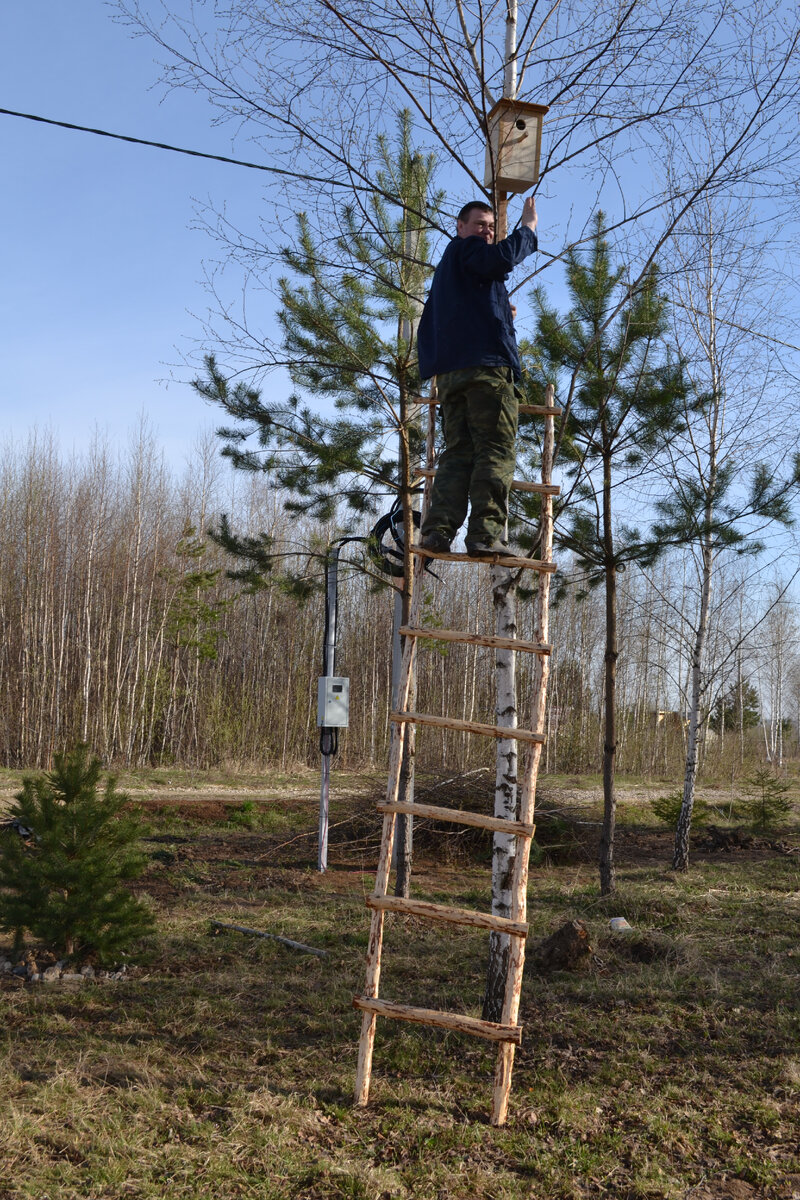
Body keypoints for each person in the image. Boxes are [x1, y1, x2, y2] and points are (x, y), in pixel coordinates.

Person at [416, 194, 538, 556]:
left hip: (453, 374)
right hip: (486, 372)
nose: (486, 232)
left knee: (459, 452)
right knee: (495, 449)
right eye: (479, 224)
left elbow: (463, 309)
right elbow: (500, 258)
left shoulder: (451, 268)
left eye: (491, 226)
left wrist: (500, 313)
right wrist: (527, 229)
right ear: (460, 227)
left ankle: (437, 532)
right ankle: (485, 534)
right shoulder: (467, 249)